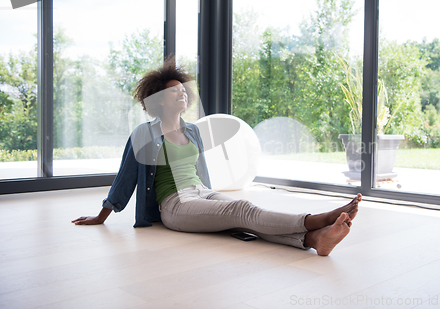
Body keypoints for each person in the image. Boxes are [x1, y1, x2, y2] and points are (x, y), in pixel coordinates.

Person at [72, 58, 361, 256]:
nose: (182, 93)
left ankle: (315, 241)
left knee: (243, 214)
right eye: (174, 91)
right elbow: (125, 177)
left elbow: (202, 172)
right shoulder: (145, 133)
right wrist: (101, 216)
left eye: (183, 89)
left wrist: (210, 196)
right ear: (158, 99)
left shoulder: (193, 130)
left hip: (202, 193)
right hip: (175, 205)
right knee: (241, 211)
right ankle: (316, 219)